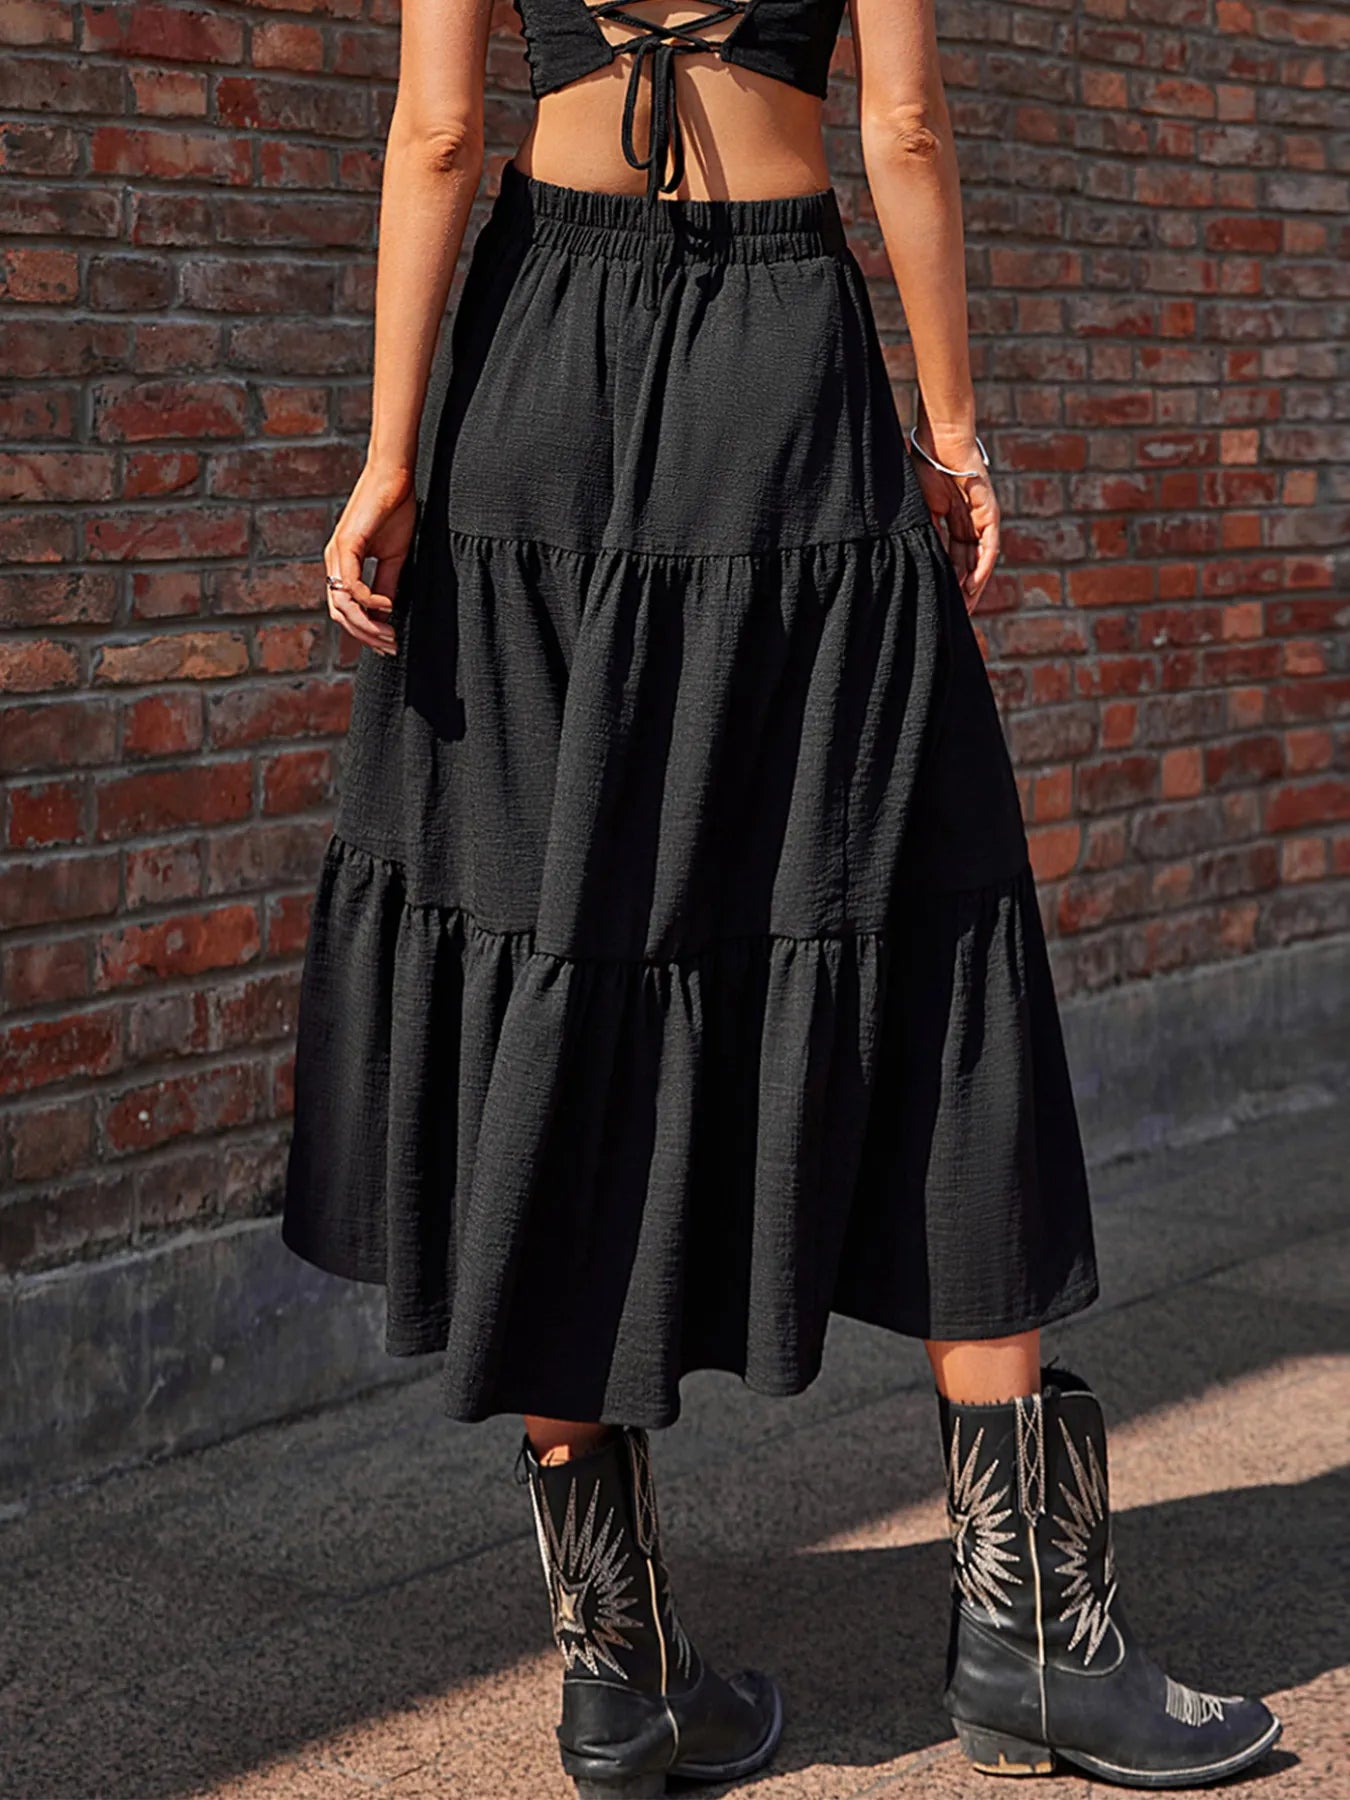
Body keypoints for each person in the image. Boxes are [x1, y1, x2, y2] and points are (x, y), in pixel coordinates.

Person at [280, 0, 1283, 1790]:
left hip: (530, 386)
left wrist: (386, 456)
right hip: (784, 380)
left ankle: (620, 1678)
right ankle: (1033, 1642)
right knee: (921, 908)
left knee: (550, 927)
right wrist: (956, 430)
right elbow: (900, 127)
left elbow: (438, 139)